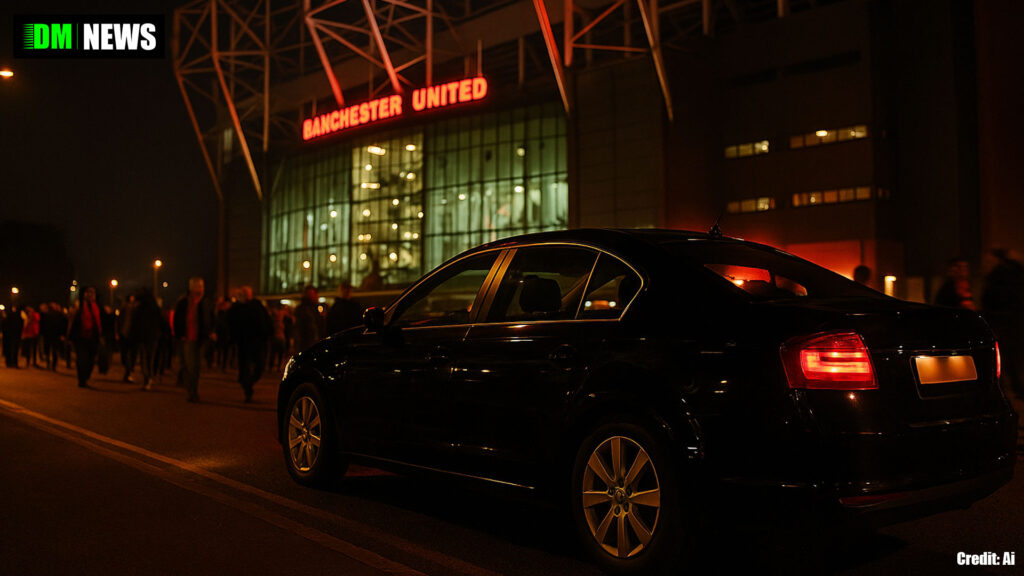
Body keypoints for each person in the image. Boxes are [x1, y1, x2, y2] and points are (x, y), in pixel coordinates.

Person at [982, 248, 1024, 398]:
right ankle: (1015, 389)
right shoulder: (1013, 275)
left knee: (1003, 361)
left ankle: (1003, 392)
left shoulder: (998, 278)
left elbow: (991, 301)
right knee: (1013, 362)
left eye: (988, 261)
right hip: (1013, 324)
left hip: (1002, 324)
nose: (985, 265)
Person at [173, 277, 215, 403]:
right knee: (190, 366)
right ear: (191, 289)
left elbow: (212, 318)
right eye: (198, 287)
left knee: (196, 366)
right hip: (188, 338)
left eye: (202, 286)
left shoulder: (206, 302)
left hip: (202, 338)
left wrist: (212, 331)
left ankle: (193, 390)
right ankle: (192, 391)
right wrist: (180, 334)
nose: (201, 289)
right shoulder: (183, 302)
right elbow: (177, 319)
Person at [227, 286, 271, 402]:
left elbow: (266, 321)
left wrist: (267, 335)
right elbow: (230, 324)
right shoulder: (236, 308)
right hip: (243, 342)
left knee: (259, 365)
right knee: (245, 367)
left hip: (258, 341)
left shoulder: (257, 306)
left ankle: (250, 382)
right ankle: (247, 389)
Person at [66, 287, 105, 388]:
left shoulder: (97, 306)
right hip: (81, 337)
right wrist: (68, 335)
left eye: (92, 293)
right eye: (88, 292)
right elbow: (72, 320)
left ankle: (86, 377)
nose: (90, 295)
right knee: (82, 359)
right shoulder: (79, 305)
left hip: (93, 337)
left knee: (91, 360)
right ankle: (82, 380)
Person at [132, 287, 162, 390]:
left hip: (143, 336)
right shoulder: (154, 307)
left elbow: (135, 322)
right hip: (153, 336)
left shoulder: (139, 307)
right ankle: (151, 378)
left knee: (145, 358)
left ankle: (147, 379)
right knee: (151, 358)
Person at [292, 285, 324, 354]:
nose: (316, 296)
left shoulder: (315, 309)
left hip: (314, 343)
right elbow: (299, 329)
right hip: (307, 344)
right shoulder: (303, 310)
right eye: (313, 294)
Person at [41, 302, 65, 371]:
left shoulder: (46, 315)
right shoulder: (59, 315)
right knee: (54, 351)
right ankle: (53, 365)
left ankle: (49, 364)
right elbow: (62, 326)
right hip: (55, 335)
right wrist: (62, 334)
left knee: (48, 350)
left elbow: (43, 325)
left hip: (49, 335)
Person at [119, 293, 138, 383]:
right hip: (127, 333)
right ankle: (128, 370)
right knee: (128, 354)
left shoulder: (135, 307)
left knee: (128, 354)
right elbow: (120, 320)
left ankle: (128, 371)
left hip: (129, 333)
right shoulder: (127, 307)